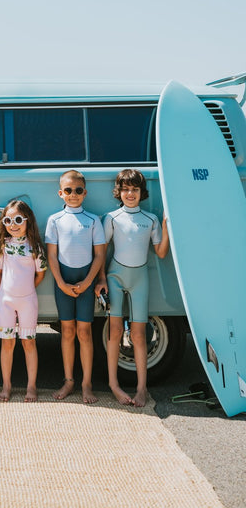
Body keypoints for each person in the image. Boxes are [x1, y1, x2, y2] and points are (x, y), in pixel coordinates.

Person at [95, 168, 170, 407]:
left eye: (134, 189)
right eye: (126, 189)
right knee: (114, 333)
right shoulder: (112, 218)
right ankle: (113, 384)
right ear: (119, 192)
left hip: (140, 280)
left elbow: (160, 252)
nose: (130, 193)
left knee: (139, 335)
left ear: (141, 192)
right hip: (116, 277)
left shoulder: (150, 220)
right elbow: (101, 251)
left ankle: (141, 388)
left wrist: (166, 226)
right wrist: (102, 279)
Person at [45, 170, 106, 404]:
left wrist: (88, 282)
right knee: (67, 331)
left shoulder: (93, 220)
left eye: (78, 190)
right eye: (68, 190)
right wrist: (61, 282)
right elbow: (52, 255)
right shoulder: (55, 220)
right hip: (63, 282)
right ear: (61, 193)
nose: (73, 195)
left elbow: (99, 254)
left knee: (85, 332)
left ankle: (86, 383)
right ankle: (69, 380)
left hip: (86, 282)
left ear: (85, 193)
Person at [0, 198, 48, 402]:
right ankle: (6, 385)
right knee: (7, 344)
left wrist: (27, 290)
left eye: (17, 219)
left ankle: (31, 386)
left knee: (28, 342)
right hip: (5, 301)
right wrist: (2, 295)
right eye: (7, 221)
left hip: (28, 302)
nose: (13, 225)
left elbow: (40, 274)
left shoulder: (35, 247)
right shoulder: (2, 246)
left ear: (27, 220)